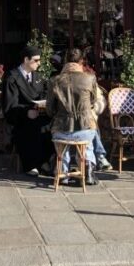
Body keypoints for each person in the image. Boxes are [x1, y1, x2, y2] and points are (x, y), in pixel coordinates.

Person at [47, 48, 99, 185]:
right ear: (82, 61)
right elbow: (93, 101)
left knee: (62, 148)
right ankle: (88, 172)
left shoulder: (55, 80)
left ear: (65, 61)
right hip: (85, 128)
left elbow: (49, 109)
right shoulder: (90, 78)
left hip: (62, 129)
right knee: (87, 145)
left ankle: (62, 174)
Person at [2, 46, 53, 176]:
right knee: (31, 128)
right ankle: (31, 164)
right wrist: (26, 112)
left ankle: (44, 161)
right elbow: (10, 106)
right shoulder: (11, 77)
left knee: (52, 126)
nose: (39, 63)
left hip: (40, 114)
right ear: (26, 59)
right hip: (21, 118)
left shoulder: (39, 77)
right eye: (36, 60)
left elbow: (45, 95)